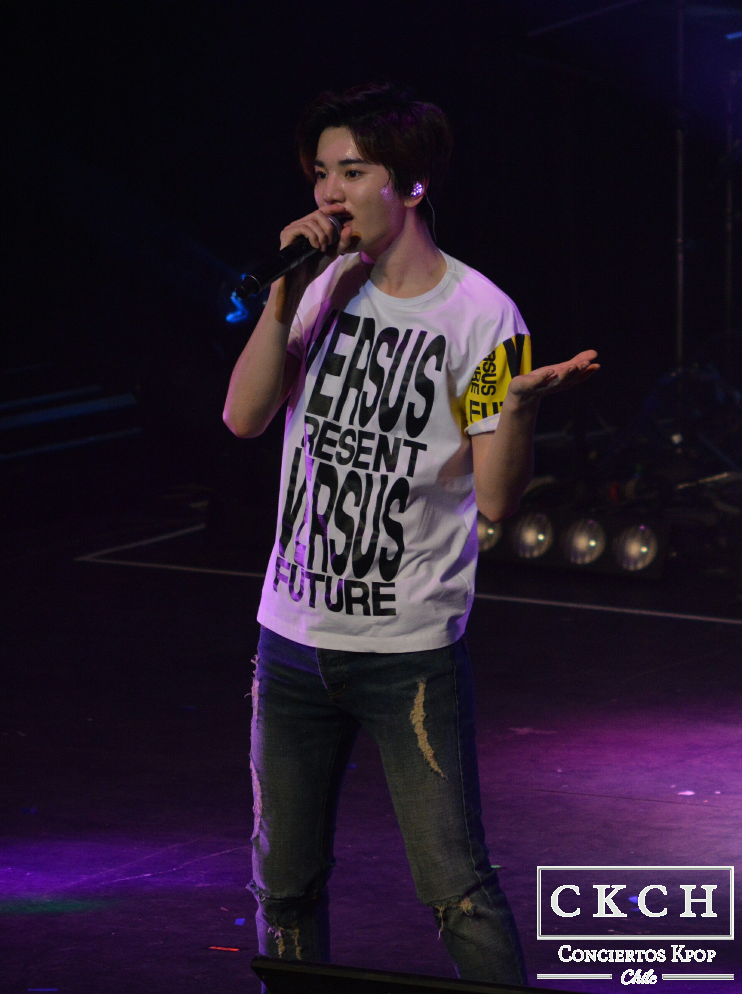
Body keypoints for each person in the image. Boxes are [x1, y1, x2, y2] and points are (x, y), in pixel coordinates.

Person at [224, 82, 598, 986]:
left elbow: (496, 498)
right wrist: (284, 295)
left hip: (407, 653)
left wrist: (513, 407)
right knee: (284, 889)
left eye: (353, 172)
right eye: (321, 173)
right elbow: (243, 417)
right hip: (292, 641)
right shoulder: (323, 288)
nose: (329, 193)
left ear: (412, 184)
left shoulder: (482, 317)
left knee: (457, 891)